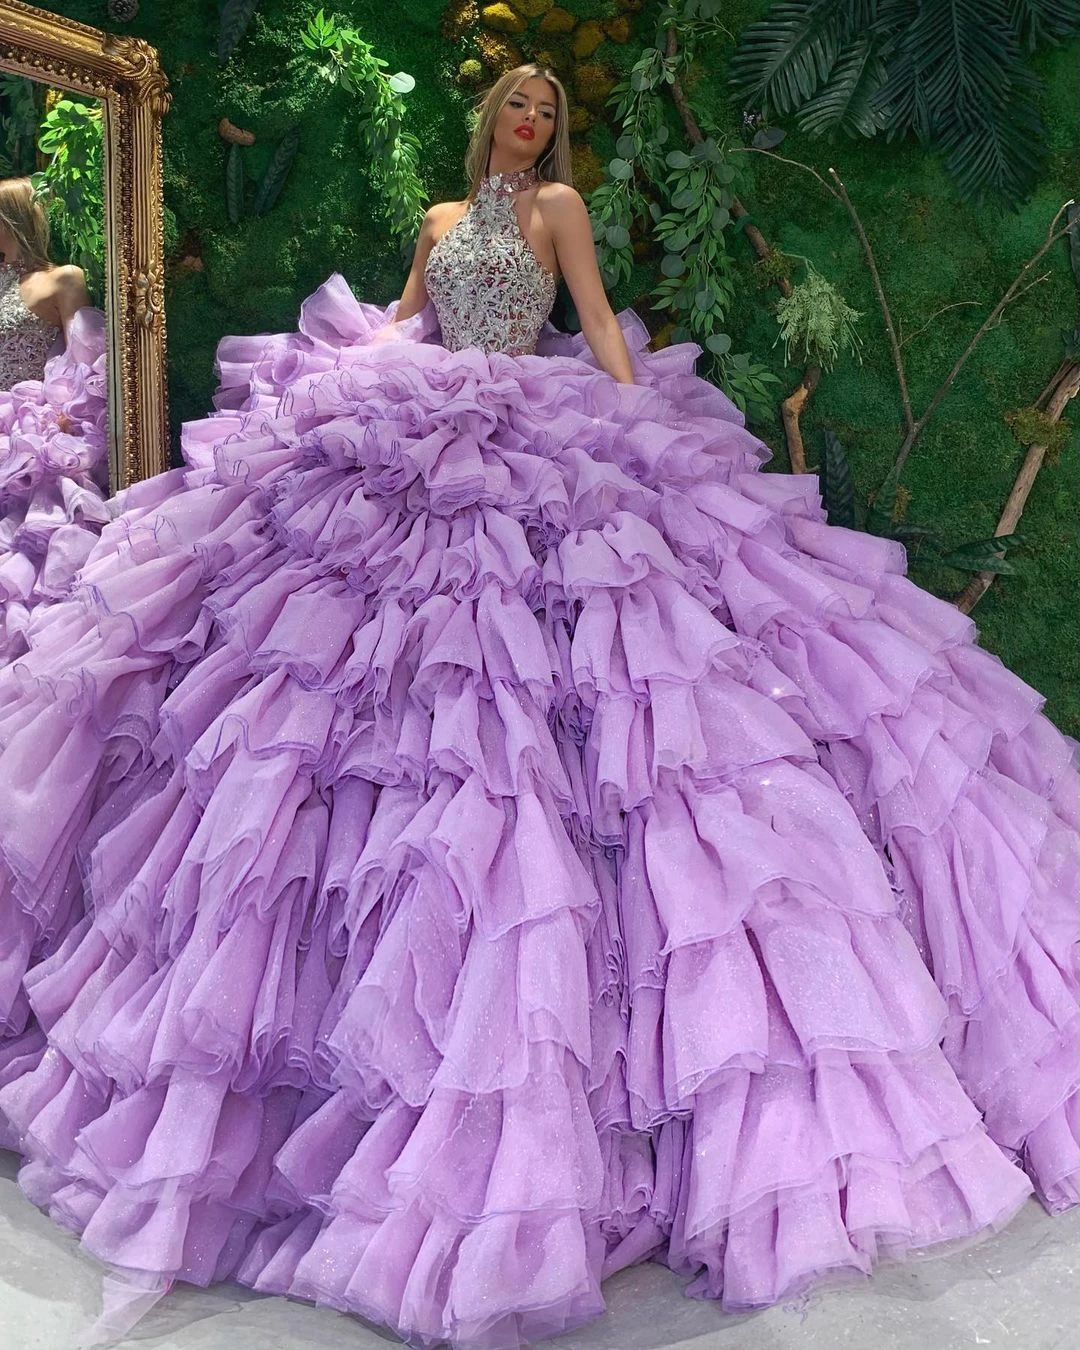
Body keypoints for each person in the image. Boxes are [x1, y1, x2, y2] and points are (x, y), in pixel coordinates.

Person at [0, 64, 1075, 1349]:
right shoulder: (446, 226)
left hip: (539, 424)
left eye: (543, 106)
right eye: (514, 102)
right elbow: (406, 318)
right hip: (424, 418)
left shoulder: (559, 206)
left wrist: (638, 421)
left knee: (576, 686)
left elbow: (597, 321)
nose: (528, 117)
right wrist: (349, 375)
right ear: (487, 120)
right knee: (362, 693)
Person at [0, 176, 110, 661]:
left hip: (33, 426)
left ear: (15, 220)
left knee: (28, 552)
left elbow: (85, 358)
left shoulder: (63, 278)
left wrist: (64, 416)